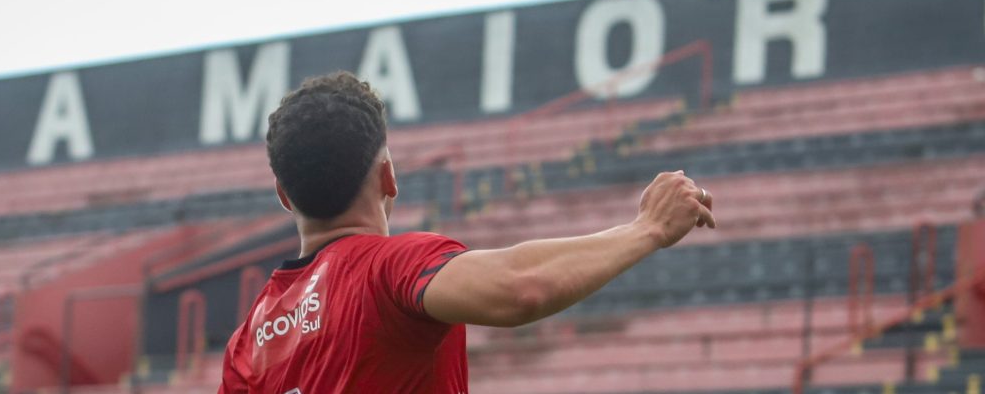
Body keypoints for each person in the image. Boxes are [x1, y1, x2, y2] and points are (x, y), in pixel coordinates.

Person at [218, 71, 716, 393]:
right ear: (388, 177)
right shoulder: (391, 268)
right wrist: (647, 228)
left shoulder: (246, 345)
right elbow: (520, 289)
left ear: (283, 194)